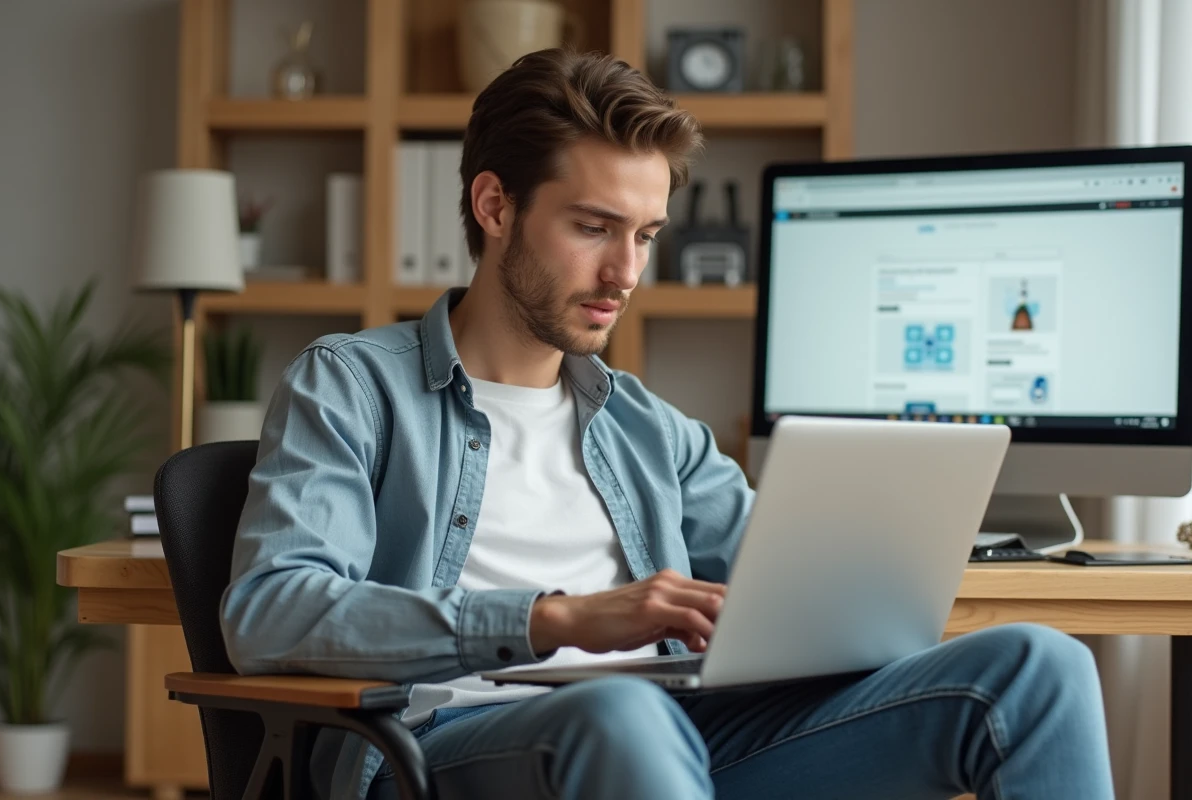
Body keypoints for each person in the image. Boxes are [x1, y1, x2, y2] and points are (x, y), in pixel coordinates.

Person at [221, 48, 1114, 800]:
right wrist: (558, 619)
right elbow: (270, 611)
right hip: (441, 745)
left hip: (679, 739)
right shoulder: (348, 387)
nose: (625, 270)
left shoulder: (646, 426)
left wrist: (850, 592)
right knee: (622, 713)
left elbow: (790, 585)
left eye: (646, 234)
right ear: (495, 208)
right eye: (594, 227)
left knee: (1039, 670)